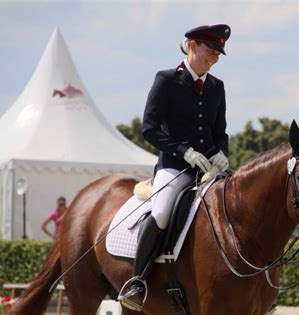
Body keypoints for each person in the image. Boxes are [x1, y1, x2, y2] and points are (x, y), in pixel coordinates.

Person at [118, 24, 231, 311]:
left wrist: (222, 154)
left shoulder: (217, 86)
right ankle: (137, 282)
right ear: (192, 45)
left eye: (219, 52)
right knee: (162, 212)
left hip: (207, 169)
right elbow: (149, 128)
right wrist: (185, 151)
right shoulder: (167, 80)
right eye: (211, 50)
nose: (215, 57)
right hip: (174, 168)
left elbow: (220, 131)